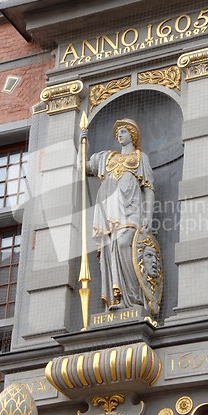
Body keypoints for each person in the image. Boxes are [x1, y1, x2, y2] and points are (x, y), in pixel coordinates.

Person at [78, 119, 155, 311]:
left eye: (123, 132)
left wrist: (148, 217)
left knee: (123, 245)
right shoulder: (107, 158)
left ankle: (134, 299)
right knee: (109, 252)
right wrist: (82, 143)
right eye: (118, 133)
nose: (119, 135)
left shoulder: (140, 158)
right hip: (108, 214)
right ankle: (116, 299)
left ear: (132, 135)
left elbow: (148, 189)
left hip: (131, 210)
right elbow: (82, 167)